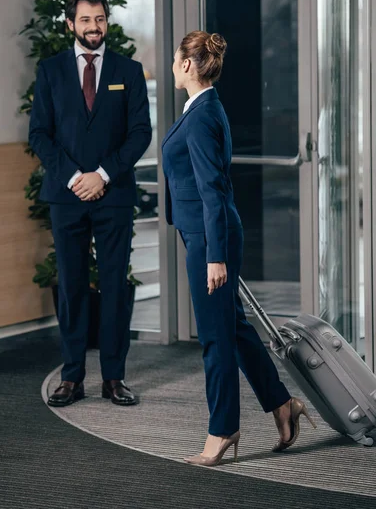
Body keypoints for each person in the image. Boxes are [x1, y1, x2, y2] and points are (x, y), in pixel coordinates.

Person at [162, 30, 315, 466]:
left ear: (188, 65)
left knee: (215, 339)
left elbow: (213, 190)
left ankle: (223, 430)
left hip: (211, 239)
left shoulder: (203, 114)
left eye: (176, 59)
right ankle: (282, 405)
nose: (174, 65)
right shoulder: (202, 107)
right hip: (207, 234)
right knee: (234, 329)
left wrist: (214, 256)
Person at [29, 0, 152, 407]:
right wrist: (74, 178)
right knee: (72, 287)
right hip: (67, 197)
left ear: (107, 22)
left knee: (115, 285)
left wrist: (101, 175)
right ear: (70, 24)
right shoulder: (49, 71)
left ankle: (114, 378)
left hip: (112, 193)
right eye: (85, 20)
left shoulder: (129, 71)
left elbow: (141, 134)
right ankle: (72, 377)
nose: (94, 27)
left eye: (99, 19)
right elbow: (39, 135)